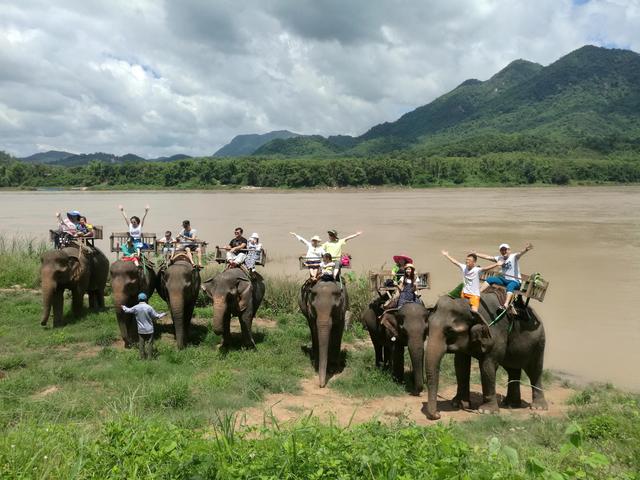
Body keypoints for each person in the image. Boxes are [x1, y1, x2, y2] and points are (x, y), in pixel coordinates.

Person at [475, 243, 534, 311]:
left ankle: (506, 305)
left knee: (510, 286)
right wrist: (476, 254)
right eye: (502, 250)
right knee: (490, 279)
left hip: (515, 281)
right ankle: (478, 293)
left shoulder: (514, 256)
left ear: (509, 250)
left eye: (505, 250)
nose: (504, 251)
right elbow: (487, 257)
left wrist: (526, 249)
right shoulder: (499, 258)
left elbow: (520, 253)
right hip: (504, 280)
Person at [121, 292, 166, 360]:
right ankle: (150, 358)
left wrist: (123, 307)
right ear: (145, 299)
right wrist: (163, 314)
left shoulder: (136, 307)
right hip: (149, 330)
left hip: (141, 330)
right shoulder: (149, 307)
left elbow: (128, 310)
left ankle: (142, 358)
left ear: (138, 299)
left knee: (141, 345)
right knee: (149, 344)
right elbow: (157, 316)